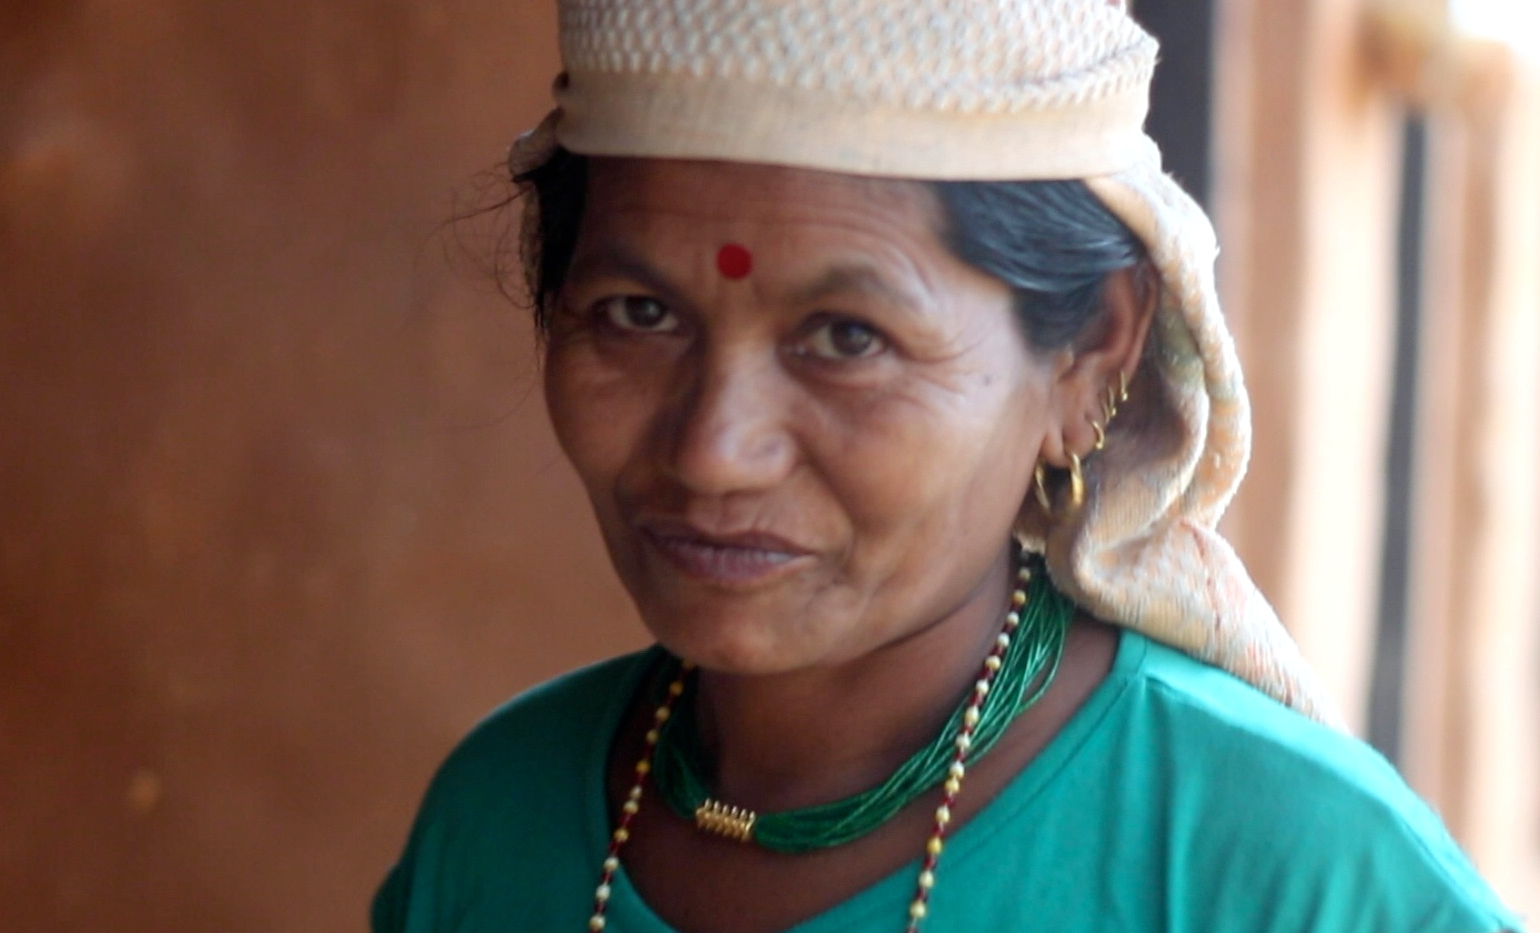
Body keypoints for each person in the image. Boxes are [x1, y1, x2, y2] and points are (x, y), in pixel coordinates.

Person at [372, 1, 1525, 930]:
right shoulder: (499, 820)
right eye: (636, 313)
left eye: (847, 339)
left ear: (1087, 357)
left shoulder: (1285, 874)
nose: (714, 451)